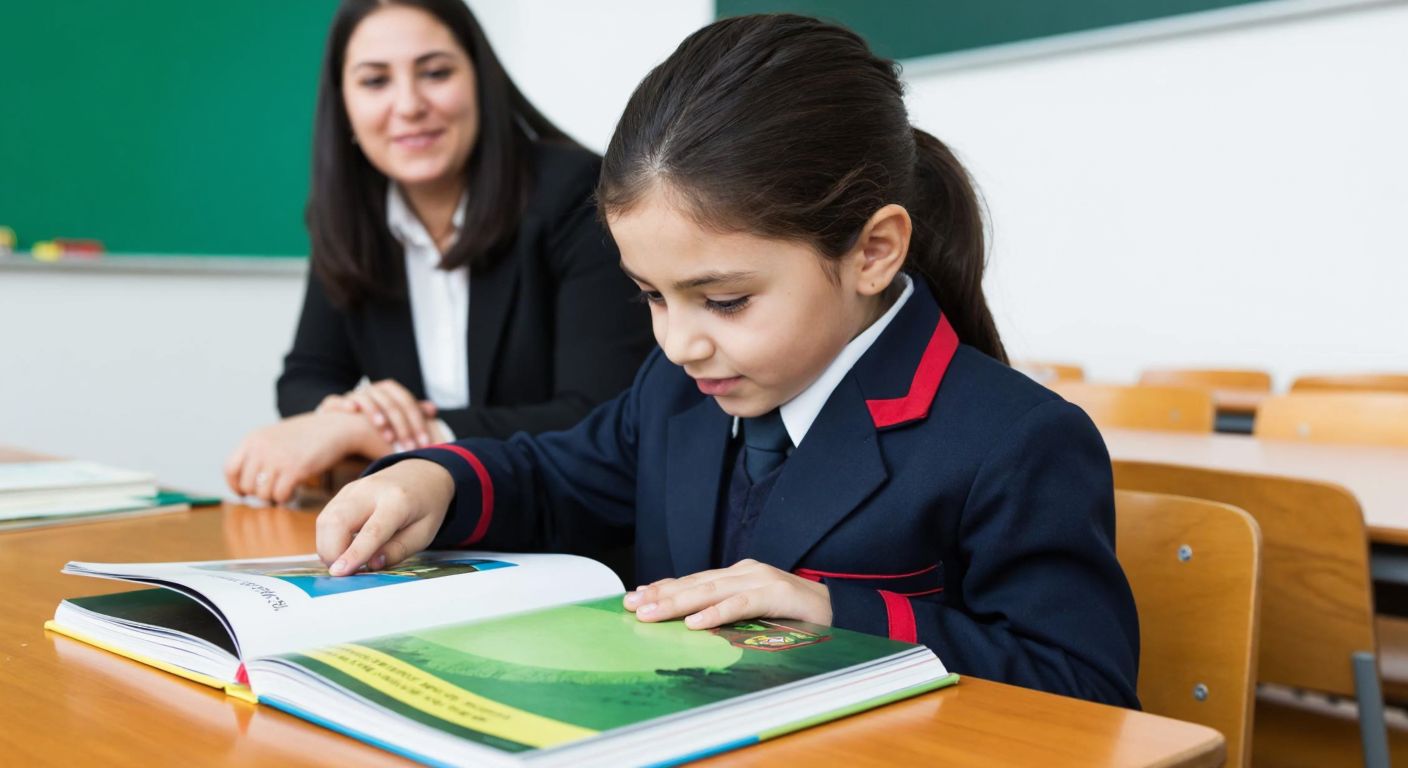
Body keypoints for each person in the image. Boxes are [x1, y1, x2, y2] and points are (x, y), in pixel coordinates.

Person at [313, 14, 1140, 707]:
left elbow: (1087, 690)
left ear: (874, 251)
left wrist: (832, 613)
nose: (679, 343)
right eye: (652, 296)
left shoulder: (1015, 441)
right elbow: (553, 476)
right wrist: (430, 480)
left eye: (726, 300)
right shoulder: (677, 395)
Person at [224, 0, 652, 504]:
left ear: (480, 80)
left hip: (569, 526)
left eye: (435, 73)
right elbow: (307, 376)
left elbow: (597, 411)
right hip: (424, 526)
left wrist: (375, 434)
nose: (407, 105)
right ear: (343, 104)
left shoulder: (576, 195)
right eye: (375, 81)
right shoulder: (348, 215)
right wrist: (357, 413)